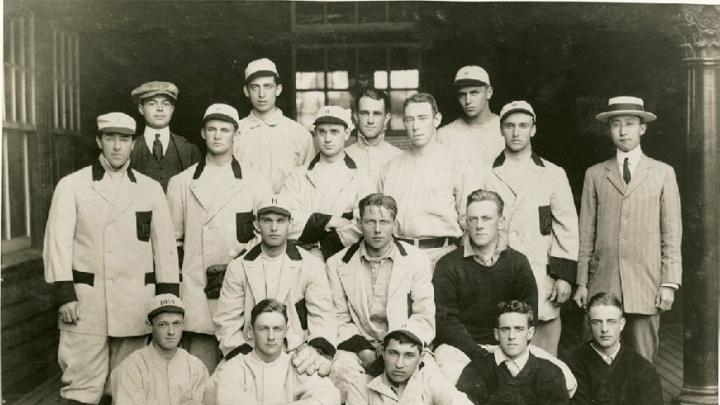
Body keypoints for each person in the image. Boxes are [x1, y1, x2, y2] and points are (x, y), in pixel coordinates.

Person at [43, 112, 180, 405]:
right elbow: (57, 242)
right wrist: (65, 294)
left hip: (135, 302)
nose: (117, 146)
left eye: (124, 139)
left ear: (133, 143)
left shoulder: (150, 188)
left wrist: (167, 300)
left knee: (128, 384)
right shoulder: (73, 185)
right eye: (110, 138)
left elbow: (165, 248)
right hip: (86, 302)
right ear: (99, 141)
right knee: (80, 385)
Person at [574, 96, 682, 362]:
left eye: (630, 123)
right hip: (604, 282)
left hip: (646, 284)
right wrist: (581, 282)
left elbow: (671, 233)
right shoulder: (595, 174)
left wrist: (668, 283)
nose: (623, 131)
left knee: (643, 360)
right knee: (598, 359)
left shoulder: (662, 173)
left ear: (642, 128)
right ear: (608, 129)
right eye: (616, 124)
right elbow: (586, 232)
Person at [166, 103, 271, 372]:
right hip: (197, 290)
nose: (217, 135)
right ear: (203, 133)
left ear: (236, 135)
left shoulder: (256, 181)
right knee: (200, 372)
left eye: (225, 130)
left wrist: (236, 267)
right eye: (211, 129)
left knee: (241, 371)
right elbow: (172, 243)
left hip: (240, 288)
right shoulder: (181, 182)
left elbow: (268, 236)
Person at [478, 101, 578, 355]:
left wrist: (563, 276)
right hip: (499, 273)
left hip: (541, 274)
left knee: (544, 353)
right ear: (500, 130)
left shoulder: (552, 173)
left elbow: (566, 226)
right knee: (503, 344)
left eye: (523, 125)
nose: (516, 132)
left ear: (533, 129)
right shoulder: (486, 175)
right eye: (509, 126)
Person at [326, 193, 435, 401]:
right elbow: (338, 317)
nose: (377, 230)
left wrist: (394, 350)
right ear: (359, 223)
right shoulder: (337, 263)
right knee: (342, 373)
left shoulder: (416, 259)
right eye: (370, 222)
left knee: (424, 382)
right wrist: (362, 349)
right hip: (359, 345)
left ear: (394, 224)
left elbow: (424, 315)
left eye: (384, 222)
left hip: (404, 343)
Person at [214, 193, 337, 375]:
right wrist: (247, 358)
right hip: (250, 352)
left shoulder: (310, 265)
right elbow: (226, 321)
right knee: (218, 389)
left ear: (290, 224)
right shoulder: (238, 266)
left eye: (280, 221)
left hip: (297, 352)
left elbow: (323, 316)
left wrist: (314, 350)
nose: (273, 228)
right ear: (256, 224)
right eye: (267, 220)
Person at [379, 93, 469, 266]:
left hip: (443, 257)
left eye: (422, 118)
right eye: (410, 119)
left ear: (437, 120)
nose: (415, 126)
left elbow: (469, 220)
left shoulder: (455, 165)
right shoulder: (390, 168)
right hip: (399, 257)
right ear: (404, 122)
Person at [281, 105, 376, 260]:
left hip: (345, 261)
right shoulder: (297, 176)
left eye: (334, 131)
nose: (327, 138)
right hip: (300, 259)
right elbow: (285, 221)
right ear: (315, 134)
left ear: (346, 134)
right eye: (322, 131)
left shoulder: (362, 179)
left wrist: (322, 250)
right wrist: (331, 220)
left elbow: (362, 226)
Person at [212, 299, 341, 405]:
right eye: (263, 329)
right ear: (251, 331)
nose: (271, 337)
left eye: (277, 329)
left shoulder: (296, 365)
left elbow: (330, 396)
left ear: (286, 331)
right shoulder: (235, 367)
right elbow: (227, 399)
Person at [458, 301, 569, 405]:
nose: (511, 336)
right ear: (497, 334)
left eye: (519, 329)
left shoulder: (550, 373)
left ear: (530, 333)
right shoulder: (477, 369)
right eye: (505, 329)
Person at [233, 58, 315, 193]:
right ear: (246, 91)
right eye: (255, 87)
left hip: (287, 211)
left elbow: (308, 186)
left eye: (267, 86)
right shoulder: (235, 132)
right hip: (245, 210)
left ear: (278, 89)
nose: (261, 94)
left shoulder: (298, 134)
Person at [110, 294, 209, 405]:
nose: (171, 332)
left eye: (176, 324)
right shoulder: (132, 368)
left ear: (183, 324)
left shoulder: (196, 367)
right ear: (149, 325)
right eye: (163, 324)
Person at [568, 292, 663, 405]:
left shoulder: (642, 368)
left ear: (622, 324)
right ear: (589, 324)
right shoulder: (574, 364)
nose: (604, 329)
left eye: (611, 322)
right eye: (597, 322)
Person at [346, 329, 474, 405]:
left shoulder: (430, 379)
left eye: (409, 355)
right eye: (393, 353)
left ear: (421, 357)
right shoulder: (360, 386)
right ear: (383, 352)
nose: (399, 364)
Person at [129, 81, 202, 191]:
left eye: (166, 104)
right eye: (152, 103)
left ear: (172, 109)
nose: (160, 108)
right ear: (141, 109)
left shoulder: (190, 150)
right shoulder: (129, 149)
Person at [437, 65, 504, 176]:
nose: (468, 101)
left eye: (474, 93)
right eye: (462, 95)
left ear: (489, 92)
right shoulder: (444, 136)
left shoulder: (508, 129)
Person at [346, 88, 402, 182]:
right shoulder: (343, 158)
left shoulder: (399, 158)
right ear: (355, 117)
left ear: (386, 118)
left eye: (376, 114)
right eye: (364, 113)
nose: (370, 121)